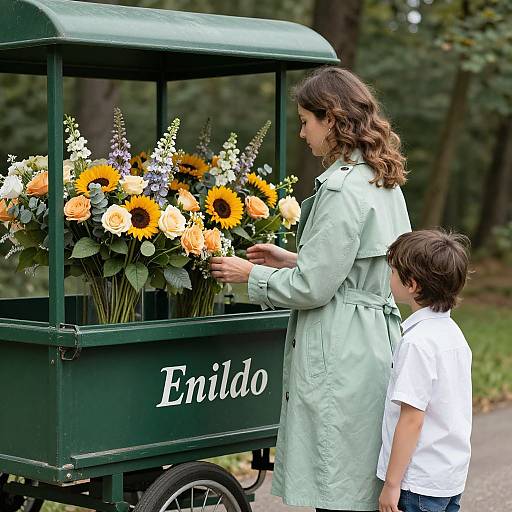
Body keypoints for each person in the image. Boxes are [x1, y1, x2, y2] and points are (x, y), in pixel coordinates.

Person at [210, 66, 411, 511]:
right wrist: (293, 258)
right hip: (374, 343)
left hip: (339, 346)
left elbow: (314, 289)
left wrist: (250, 275)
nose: (302, 133)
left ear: (332, 118)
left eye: (306, 122)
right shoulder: (383, 182)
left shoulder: (341, 189)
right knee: (362, 482)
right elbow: (359, 265)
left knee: (337, 487)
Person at [377, 230, 472, 512]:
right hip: (448, 478)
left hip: (415, 484)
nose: (390, 276)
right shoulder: (453, 335)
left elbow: (412, 418)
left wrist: (392, 484)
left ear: (413, 285)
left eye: (394, 271)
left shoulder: (417, 343)